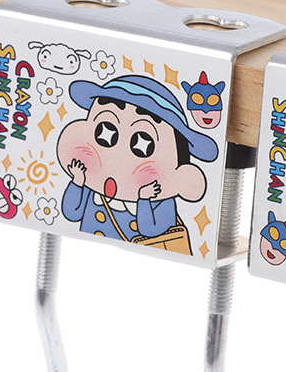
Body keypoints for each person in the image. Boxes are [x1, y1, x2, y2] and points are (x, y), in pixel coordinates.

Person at [56, 74, 218, 246]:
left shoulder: (161, 199)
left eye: (143, 146)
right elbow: (72, 213)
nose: (118, 156)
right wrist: (77, 182)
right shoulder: (93, 186)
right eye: (104, 131)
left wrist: (144, 200)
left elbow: (151, 229)